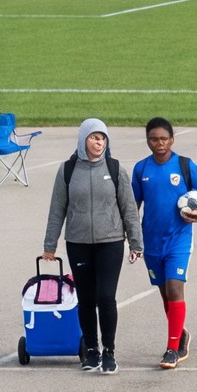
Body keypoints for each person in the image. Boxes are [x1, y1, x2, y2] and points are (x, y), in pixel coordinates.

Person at [39, 118, 142, 375]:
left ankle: (109, 351)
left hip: (111, 242)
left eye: (103, 138)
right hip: (78, 243)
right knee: (85, 299)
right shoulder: (68, 170)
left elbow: (129, 209)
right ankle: (92, 350)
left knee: (105, 297)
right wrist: (49, 245)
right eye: (95, 138)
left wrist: (136, 242)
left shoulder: (116, 169)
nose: (99, 143)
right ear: (84, 138)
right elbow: (56, 210)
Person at [128, 117, 197, 371]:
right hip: (151, 243)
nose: (159, 144)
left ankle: (172, 349)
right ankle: (181, 334)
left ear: (172, 140)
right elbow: (133, 206)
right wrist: (132, 238)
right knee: (165, 294)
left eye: (164, 139)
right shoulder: (141, 169)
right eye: (154, 139)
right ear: (147, 140)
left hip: (179, 240)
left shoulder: (184, 165)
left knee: (175, 288)